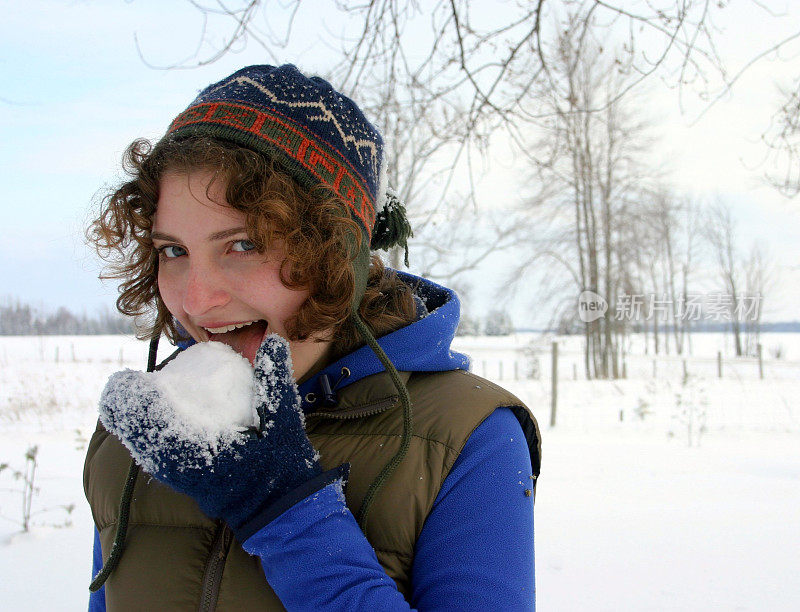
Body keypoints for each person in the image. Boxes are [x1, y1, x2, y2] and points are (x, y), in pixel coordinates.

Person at [84, 64, 541, 611]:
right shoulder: (154, 427)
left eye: (244, 244)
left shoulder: (463, 438)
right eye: (173, 250)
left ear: (335, 256)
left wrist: (286, 511)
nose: (196, 300)